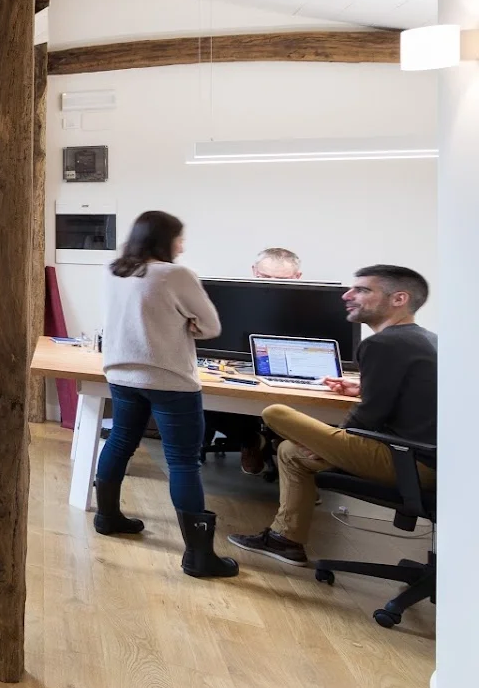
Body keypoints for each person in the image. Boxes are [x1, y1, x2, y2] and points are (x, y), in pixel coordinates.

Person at [228, 265, 436, 566]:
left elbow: (369, 415)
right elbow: (405, 396)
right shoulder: (425, 339)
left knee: (275, 412)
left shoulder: (383, 343)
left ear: (399, 299)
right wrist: (362, 387)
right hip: (429, 459)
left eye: (362, 290)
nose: (347, 295)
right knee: (290, 452)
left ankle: (285, 538)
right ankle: (285, 540)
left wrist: (328, 444)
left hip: (411, 462)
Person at [93, 210, 239, 578]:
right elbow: (211, 326)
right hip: (169, 379)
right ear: (165, 240)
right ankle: (199, 557)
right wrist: (186, 324)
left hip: (122, 374)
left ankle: (107, 517)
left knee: (120, 441)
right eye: (179, 238)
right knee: (183, 461)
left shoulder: (114, 271)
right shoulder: (175, 274)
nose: (182, 246)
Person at [206, 245, 307, 472]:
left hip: (291, 374)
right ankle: (250, 440)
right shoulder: (232, 300)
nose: (271, 285)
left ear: (297, 276)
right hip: (238, 370)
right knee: (201, 399)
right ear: (254, 271)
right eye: (265, 277)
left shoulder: (311, 305)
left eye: (282, 280)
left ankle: (286, 445)